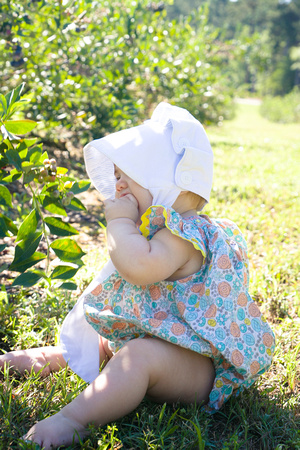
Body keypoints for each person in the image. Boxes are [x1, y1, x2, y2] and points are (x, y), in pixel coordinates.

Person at [0, 102, 275, 449]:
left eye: (126, 179)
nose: (118, 190)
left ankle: (73, 419)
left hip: (198, 367)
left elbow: (140, 268)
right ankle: (50, 358)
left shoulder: (182, 234)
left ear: (164, 183)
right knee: (107, 343)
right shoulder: (162, 229)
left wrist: (118, 223)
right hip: (164, 339)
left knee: (137, 357)